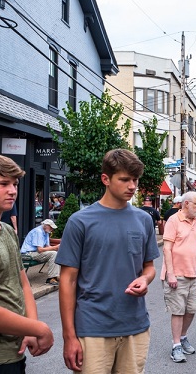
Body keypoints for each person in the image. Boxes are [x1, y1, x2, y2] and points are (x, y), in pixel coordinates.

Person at [56, 149, 160, 373]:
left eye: (135, 179)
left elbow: (149, 267)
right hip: (92, 327)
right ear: (106, 179)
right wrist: (69, 336)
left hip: (136, 326)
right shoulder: (80, 221)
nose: (132, 186)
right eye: (124, 179)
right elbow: (68, 280)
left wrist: (145, 278)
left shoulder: (143, 220)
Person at [0, 154, 54, 372]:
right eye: (3, 184)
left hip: (14, 352)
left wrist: (30, 328)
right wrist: (39, 328)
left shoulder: (6, 231)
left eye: (14, 184)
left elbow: (23, 285)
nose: (13, 190)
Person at [161, 191, 196, 363]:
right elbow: (167, 249)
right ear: (186, 203)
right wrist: (170, 274)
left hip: (193, 274)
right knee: (178, 311)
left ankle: (183, 336)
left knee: (191, 309)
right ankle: (175, 346)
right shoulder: (173, 220)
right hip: (176, 274)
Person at [20, 219, 61, 285]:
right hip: (28, 253)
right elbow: (40, 249)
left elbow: (47, 246)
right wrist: (54, 248)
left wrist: (55, 248)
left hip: (35, 253)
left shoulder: (46, 232)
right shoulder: (38, 232)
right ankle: (51, 278)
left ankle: (56, 275)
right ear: (45, 226)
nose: (52, 229)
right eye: (51, 227)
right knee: (53, 254)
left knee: (56, 253)